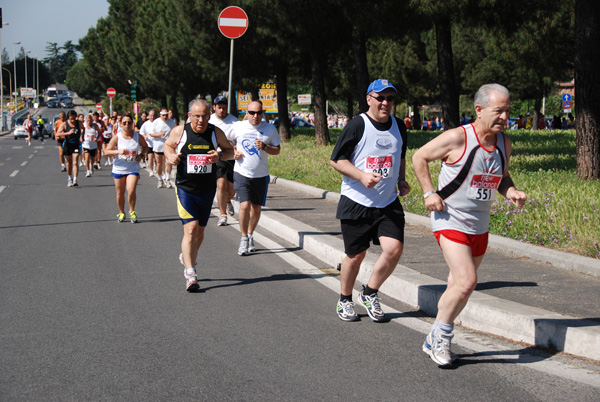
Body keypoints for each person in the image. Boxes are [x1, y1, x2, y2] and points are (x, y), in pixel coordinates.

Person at [412, 83, 527, 367]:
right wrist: (429, 192)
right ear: (479, 109)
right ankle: (442, 337)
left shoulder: (504, 143)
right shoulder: (458, 138)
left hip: (480, 224)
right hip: (450, 219)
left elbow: (501, 176)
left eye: (507, 111)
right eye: (498, 111)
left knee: (457, 285)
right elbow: (419, 157)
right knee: (467, 282)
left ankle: (434, 335)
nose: (504, 117)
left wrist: (511, 191)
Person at [330, 79, 410, 323]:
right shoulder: (358, 125)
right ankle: (344, 299)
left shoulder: (398, 125)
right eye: (380, 98)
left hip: (386, 202)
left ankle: (370, 292)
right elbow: (337, 160)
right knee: (356, 255)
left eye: (390, 98)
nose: (385, 103)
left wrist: (401, 180)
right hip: (357, 201)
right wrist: (362, 175)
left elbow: (400, 155)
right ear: (369, 99)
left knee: (394, 249)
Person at [163, 99, 234, 291]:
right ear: (189, 116)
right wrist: (171, 156)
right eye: (196, 116)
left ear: (209, 116)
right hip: (185, 188)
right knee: (191, 228)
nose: (200, 120)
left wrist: (219, 156)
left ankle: (187, 256)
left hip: (207, 189)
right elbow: (167, 146)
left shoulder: (215, 132)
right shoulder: (180, 131)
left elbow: (230, 151)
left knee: (200, 231)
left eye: (204, 116)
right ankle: (191, 273)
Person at [230, 100, 281, 256]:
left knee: (256, 208)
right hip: (241, 172)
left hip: (260, 175)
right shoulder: (238, 126)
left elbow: (277, 150)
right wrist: (233, 151)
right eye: (252, 113)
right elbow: (226, 141)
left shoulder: (270, 129)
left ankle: (251, 234)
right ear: (246, 113)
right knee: (244, 205)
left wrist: (265, 147)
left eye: (259, 113)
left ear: (263, 113)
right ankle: (244, 238)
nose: (255, 116)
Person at [105, 114, 148, 223]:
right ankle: (121, 212)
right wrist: (118, 151)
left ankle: (132, 211)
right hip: (119, 168)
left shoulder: (138, 137)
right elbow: (106, 151)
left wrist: (141, 155)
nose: (127, 125)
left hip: (133, 167)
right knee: (120, 193)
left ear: (132, 123)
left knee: (131, 190)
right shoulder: (117, 137)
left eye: (129, 122)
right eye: (124, 123)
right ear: (120, 124)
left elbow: (145, 146)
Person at [209, 96, 239, 226]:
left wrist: (236, 146)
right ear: (214, 107)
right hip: (217, 157)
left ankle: (227, 201)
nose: (221, 110)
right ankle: (223, 215)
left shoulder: (235, 122)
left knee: (231, 190)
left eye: (224, 107)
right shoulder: (208, 120)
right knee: (221, 185)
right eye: (219, 107)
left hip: (231, 158)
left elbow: (240, 139)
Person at [56, 111, 83, 187]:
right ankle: (69, 178)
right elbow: (57, 133)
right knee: (69, 163)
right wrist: (67, 133)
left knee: (75, 162)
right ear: (68, 118)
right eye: (71, 119)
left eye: (74, 118)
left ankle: (75, 179)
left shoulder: (79, 123)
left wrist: (81, 136)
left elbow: (83, 129)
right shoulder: (64, 124)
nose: (73, 120)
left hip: (76, 144)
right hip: (68, 144)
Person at [150, 108, 173, 188]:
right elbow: (151, 134)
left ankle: (167, 178)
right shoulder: (156, 122)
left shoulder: (171, 122)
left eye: (166, 115)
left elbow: (175, 132)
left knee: (169, 162)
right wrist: (159, 134)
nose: (165, 117)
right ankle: (160, 179)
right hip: (158, 146)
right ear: (160, 115)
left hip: (169, 146)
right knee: (159, 164)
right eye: (163, 115)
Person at [140, 109, 157, 177]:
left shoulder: (157, 122)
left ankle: (156, 168)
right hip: (149, 143)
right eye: (151, 116)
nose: (152, 117)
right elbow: (141, 132)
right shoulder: (146, 124)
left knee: (156, 158)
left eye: (153, 116)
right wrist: (145, 136)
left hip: (156, 143)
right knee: (150, 157)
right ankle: (151, 170)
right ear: (148, 116)